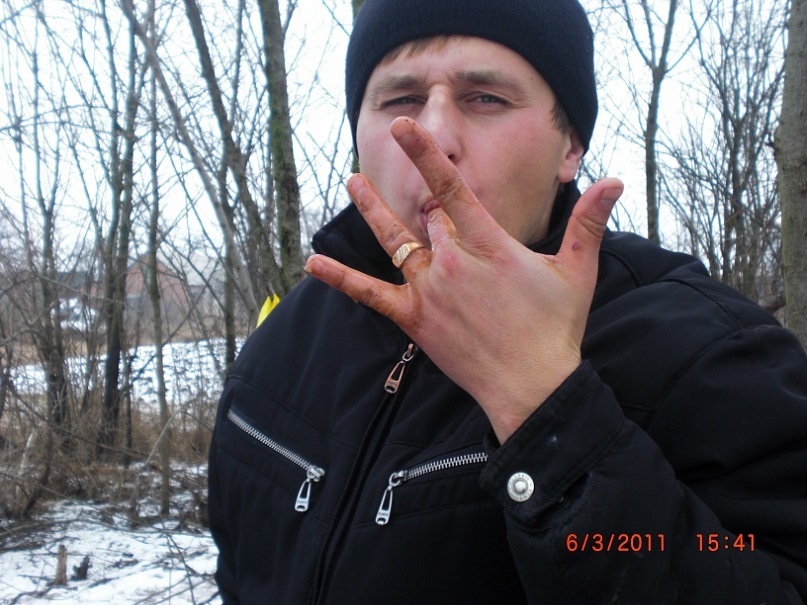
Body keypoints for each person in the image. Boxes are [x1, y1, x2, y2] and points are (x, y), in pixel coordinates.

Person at [207, 0, 807, 602]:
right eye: (400, 99)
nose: (433, 136)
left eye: (485, 98)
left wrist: (548, 412)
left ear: (570, 145)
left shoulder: (705, 353)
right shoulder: (285, 340)